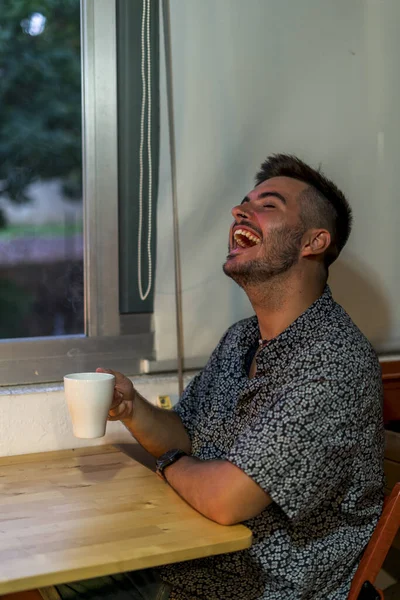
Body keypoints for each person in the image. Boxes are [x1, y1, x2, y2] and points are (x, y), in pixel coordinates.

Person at [44, 154, 385, 600]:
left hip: (261, 590)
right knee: (53, 567)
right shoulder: (242, 339)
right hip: (190, 569)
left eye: (269, 205)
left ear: (313, 241)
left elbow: (226, 501)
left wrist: (167, 464)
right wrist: (132, 407)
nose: (239, 211)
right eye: (244, 202)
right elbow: (184, 435)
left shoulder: (333, 361)